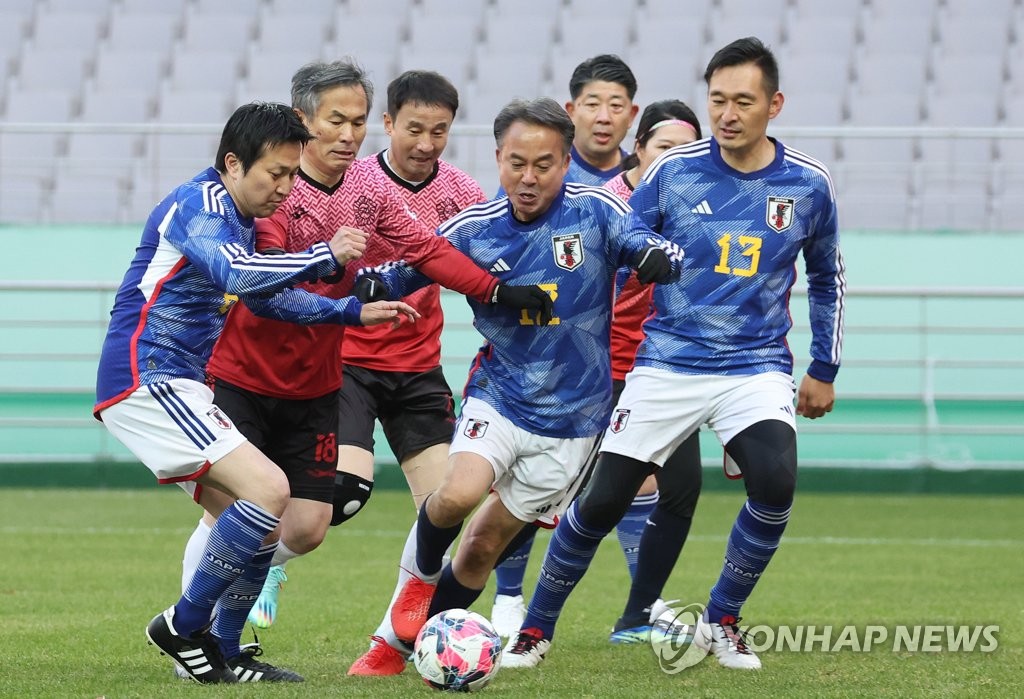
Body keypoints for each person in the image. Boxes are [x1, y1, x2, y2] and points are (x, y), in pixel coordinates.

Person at [172, 62, 550, 678]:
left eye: (354, 123)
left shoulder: (371, 193)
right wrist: (348, 300)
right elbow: (263, 289)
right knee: (244, 512)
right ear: (304, 121)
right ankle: (204, 642)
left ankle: (384, 637)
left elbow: (427, 250)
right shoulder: (273, 190)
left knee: (319, 522)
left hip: (325, 379)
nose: (349, 136)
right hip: (248, 373)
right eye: (336, 122)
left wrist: (495, 290)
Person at [502, 36, 846, 672]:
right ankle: (535, 628)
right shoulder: (672, 169)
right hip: (667, 362)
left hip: (756, 366)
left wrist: (824, 366)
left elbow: (827, 277)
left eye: (743, 101)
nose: (728, 114)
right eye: (717, 100)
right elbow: (620, 234)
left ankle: (722, 619)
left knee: (776, 483)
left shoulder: (808, 184)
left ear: (775, 103)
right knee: (602, 501)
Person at [93, 101, 419, 684]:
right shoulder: (202, 205)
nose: (287, 187)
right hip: (147, 377)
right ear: (233, 163)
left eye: (294, 174)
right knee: (271, 489)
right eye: (277, 173)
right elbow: (239, 274)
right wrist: (326, 257)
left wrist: (350, 311)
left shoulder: (237, 217)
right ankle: (183, 624)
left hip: (180, 382)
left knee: (265, 520)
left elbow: (264, 298)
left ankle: (222, 651)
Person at [372, 97, 683, 650]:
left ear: (566, 162)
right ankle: (416, 585)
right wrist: (370, 283)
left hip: (575, 421)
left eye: (544, 164)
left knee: (482, 546)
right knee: (455, 495)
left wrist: (661, 257)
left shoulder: (597, 212)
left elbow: (644, 242)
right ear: (498, 158)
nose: (529, 177)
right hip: (499, 394)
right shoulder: (476, 226)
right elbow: (412, 267)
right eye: (517, 162)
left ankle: (401, 646)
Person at [331, 71, 491, 676]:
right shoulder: (356, 184)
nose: (427, 143)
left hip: (419, 367)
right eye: (414, 129)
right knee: (343, 496)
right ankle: (263, 569)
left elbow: (484, 257)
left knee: (445, 513)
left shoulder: (462, 192)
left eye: (440, 131)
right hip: (347, 361)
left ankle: (388, 644)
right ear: (389, 124)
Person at [490, 53, 649, 638]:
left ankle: (639, 611)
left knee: (644, 480)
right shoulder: (537, 176)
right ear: (570, 109)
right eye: (593, 104)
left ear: (631, 117)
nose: (604, 117)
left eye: (616, 106)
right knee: (521, 487)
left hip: (620, 360)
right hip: (532, 366)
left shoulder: (635, 190)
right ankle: (508, 599)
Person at [600, 99, 707, 644]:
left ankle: (637, 616)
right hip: (597, 371)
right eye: (666, 147)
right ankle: (505, 599)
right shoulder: (609, 205)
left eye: (689, 149)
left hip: (664, 370)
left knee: (683, 486)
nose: (677, 159)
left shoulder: (699, 207)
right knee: (546, 489)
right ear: (638, 148)